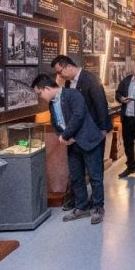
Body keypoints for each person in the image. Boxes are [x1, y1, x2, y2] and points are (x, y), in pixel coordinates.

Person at [32, 74, 105, 225]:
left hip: (88, 141)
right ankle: (82, 207)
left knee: (95, 176)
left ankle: (98, 207)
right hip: (72, 144)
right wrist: (63, 135)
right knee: (76, 177)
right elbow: (56, 122)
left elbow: (78, 116)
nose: (40, 97)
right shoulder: (52, 103)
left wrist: (65, 135)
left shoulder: (73, 94)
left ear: (47, 88)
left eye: (40, 93)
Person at [51, 55, 112, 211]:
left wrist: (103, 129)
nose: (59, 76)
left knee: (95, 171)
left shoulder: (91, 80)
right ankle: (79, 200)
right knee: (76, 171)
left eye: (60, 72)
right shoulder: (68, 82)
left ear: (68, 67)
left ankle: (97, 204)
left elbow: (101, 105)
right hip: (75, 134)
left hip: (93, 133)